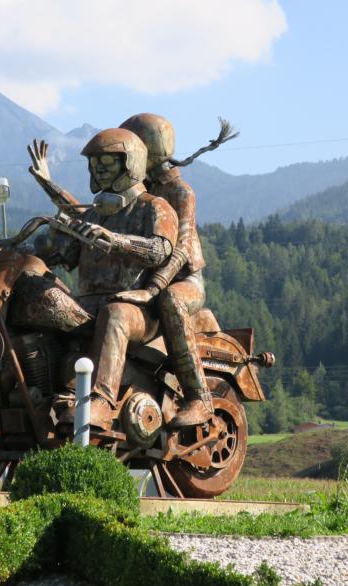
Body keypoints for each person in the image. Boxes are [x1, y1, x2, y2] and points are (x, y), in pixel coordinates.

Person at [27, 128, 179, 430]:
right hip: (88, 303)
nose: (98, 169)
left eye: (107, 162)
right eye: (94, 163)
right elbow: (66, 252)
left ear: (130, 163)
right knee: (39, 299)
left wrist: (117, 241)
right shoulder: (95, 214)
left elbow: (160, 250)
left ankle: (101, 400)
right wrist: (35, 247)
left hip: (136, 307)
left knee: (114, 314)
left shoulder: (153, 206)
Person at [113, 113, 236, 426]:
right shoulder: (139, 190)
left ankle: (199, 398)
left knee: (171, 301)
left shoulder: (181, 192)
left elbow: (180, 249)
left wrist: (153, 288)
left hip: (184, 281)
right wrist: (49, 186)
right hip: (146, 280)